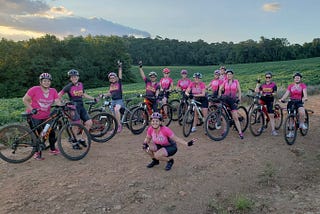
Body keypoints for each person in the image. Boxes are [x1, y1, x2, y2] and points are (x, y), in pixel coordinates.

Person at [22, 73, 61, 160]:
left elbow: (57, 101)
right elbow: (25, 99)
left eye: (48, 81)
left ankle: (53, 149)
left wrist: (63, 105)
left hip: (46, 116)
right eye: (45, 81)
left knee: (51, 132)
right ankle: (37, 153)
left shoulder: (53, 91)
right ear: (41, 82)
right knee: (37, 136)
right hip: (34, 116)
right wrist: (32, 109)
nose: (47, 82)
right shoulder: (35, 89)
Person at [58, 69, 96, 147]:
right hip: (73, 107)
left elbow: (83, 94)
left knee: (89, 123)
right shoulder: (68, 87)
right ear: (70, 78)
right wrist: (63, 102)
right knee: (76, 125)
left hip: (81, 106)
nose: (74, 78)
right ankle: (74, 142)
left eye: (75, 77)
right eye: (72, 77)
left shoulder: (81, 85)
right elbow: (58, 95)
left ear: (78, 77)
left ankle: (82, 139)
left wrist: (93, 98)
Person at [279, 72, 308, 137]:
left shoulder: (303, 85)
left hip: (299, 101)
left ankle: (301, 124)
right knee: (291, 117)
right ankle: (291, 133)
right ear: (294, 79)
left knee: (302, 112)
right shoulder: (290, 86)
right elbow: (287, 93)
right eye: (295, 78)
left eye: (298, 78)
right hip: (291, 102)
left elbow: (305, 94)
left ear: (300, 79)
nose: (297, 79)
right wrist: (282, 99)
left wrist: (304, 98)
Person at [218, 69, 244, 139]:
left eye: (230, 74)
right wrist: (220, 96)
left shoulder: (236, 81)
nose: (229, 75)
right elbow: (220, 89)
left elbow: (239, 90)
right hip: (225, 100)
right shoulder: (225, 81)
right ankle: (225, 130)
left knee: (235, 117)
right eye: (227, 74)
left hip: (233, 100)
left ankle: (240, 132)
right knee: (223, 115)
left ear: (232, 75)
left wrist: (239, 98)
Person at [100, 61, 124, 133]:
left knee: (116, 110)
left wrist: (120, 67)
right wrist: (103, 95)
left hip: (119, 100)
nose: (112, 79)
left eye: (113, 77)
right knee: (113, 115)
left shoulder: (119, 83)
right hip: (113, 101)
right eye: (111, 78)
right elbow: (109, 93)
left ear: (116, 78)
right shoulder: (111, 85)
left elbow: (120, 75)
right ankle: (115, 128)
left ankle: (119, 125)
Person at [255, 71, 279, 136]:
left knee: (271, 115)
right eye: (266, 77)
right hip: (263, 99)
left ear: (271, 77)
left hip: (270, 99)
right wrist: (258, 83)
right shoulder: (262, 85)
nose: (268, 78)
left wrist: (270, 94)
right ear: (265, 77)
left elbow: (275, 93)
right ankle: (262, 126)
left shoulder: (273, 85)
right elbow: (256, 91)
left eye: (269, 77)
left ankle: (273, 130)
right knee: (259, 110)